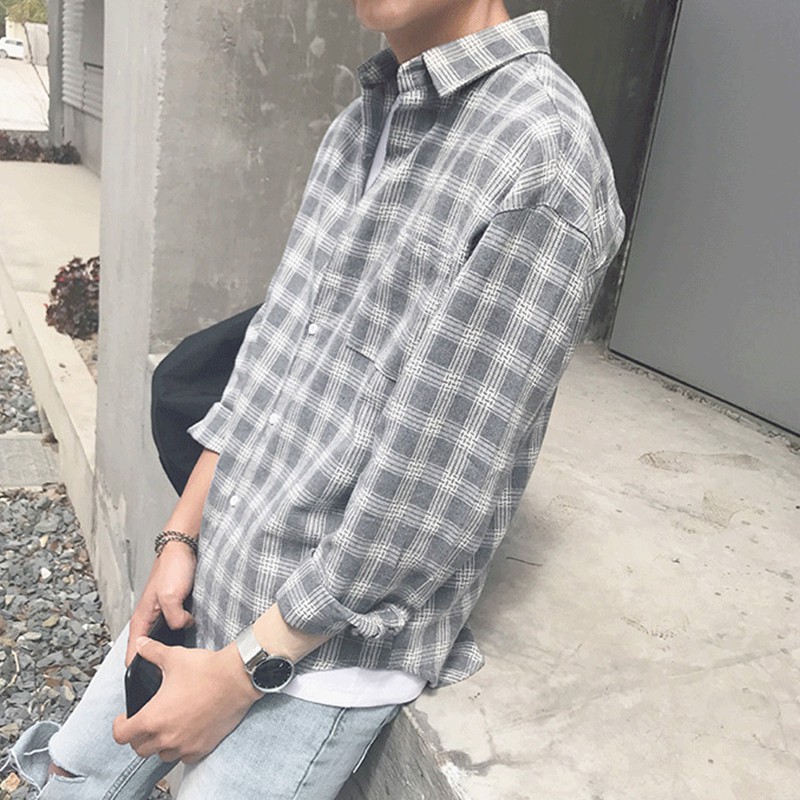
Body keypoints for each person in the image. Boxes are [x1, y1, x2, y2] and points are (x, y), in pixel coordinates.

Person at [7, 1, 625, 797]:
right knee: (65, 775)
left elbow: (425, 498)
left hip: (325, 652)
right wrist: (180, 539)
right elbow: (269, 361)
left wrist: (241, 673)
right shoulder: (361, 123)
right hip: (215, 578)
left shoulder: (544, 157)